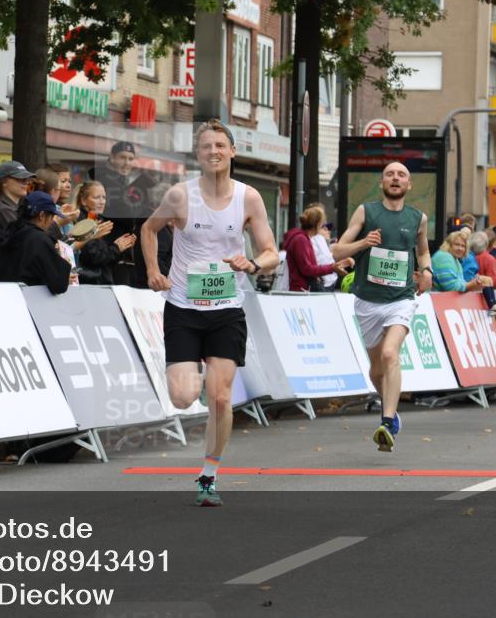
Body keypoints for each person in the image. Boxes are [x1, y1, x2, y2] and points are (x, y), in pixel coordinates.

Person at [141, 119, 278, 506]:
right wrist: (154, 271)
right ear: (198, 154)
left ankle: (208, 475)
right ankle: (189, 376)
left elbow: (271, 252)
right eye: (206, 147)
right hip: (183, 307)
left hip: (227, 309)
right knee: (184, 397)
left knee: (220, 398)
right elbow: (150, 230)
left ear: (232, 151)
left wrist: (250, 263)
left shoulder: (248, 198)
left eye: (220, 145)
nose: (214, 151)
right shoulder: (180, 196)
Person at [332, 161, 432, 453]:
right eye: (390, 174)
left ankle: (386, 421)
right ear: (382, 183)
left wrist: (426, 272)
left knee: (391, 354)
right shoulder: (366, 211)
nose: (395, 178)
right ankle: (391, 406)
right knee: (376, 370)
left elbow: (423, 250)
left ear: (409, 185)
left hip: (401, 298)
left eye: (402, 174)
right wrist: (364, 243)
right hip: (367, 301)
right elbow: (336, 250)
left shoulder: (418, 218)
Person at [0, 191, 72, 293]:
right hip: (25, 303)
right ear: (42, 215)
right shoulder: (39, 239)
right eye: (52, 217)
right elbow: (59, 285)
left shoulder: (9, 232)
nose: (51, 222)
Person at [96, 140, 165, 287]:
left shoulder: (125, 184)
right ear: (112, 157)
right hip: (109, 255)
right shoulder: (104, 180)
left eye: (130, 158)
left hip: (126, 256)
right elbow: (129, 215)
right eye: (122, 157)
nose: (126, 162)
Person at [283, 203, 352, 292]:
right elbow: (307, 269)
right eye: (323, 224)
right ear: (318, 224)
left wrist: (333, 267)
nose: (325, 228)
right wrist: (332, 268)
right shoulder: (301, 240)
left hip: (303, 289)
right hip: (301, 291)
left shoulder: (304, 238)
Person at [468, 230, 496, 315]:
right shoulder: (488, 258)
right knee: (488, 280)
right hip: (471, 289)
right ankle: (493, 305)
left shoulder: (471, 255)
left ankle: (494, 304)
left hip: (472, 293)